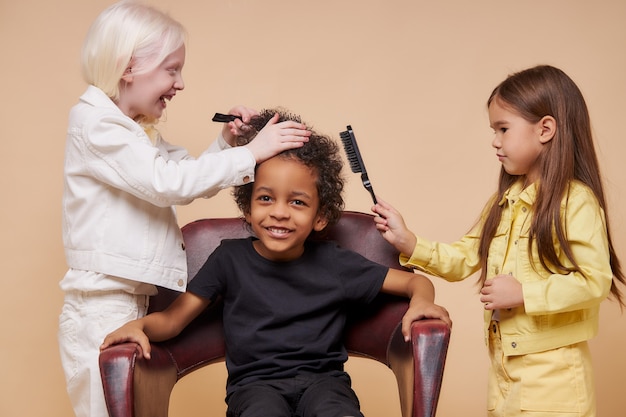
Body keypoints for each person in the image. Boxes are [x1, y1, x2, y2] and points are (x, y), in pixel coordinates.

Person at [101, 109, 452, 417]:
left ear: (320, 217)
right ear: (248, 208)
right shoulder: (229, 259)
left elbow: (415, 282)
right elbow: (173, 322)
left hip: (325, 384)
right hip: (254, 388)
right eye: (266, 198)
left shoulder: (334, 262)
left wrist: (421, 302)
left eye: (298, 202)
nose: (279, 213)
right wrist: (140, 327)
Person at [58, 2, 311, 416]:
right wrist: (253, 153)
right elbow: (166, 184)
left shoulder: (134, 131)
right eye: (171, 69)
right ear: (128, 68)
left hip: (131, 303)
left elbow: (181, 172)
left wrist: (229, 143)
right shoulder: (96, 125)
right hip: (100, 309)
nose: (180, 83)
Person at [372, 65, 625, 417]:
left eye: (503, 129)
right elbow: (463, 259)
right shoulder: (503, 202)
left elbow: (593, 281)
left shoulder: (575, 201)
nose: (495, 140)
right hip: (506, 371)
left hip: (554, 382)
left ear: (545, 129)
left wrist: (524, 293)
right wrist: (410, 243)